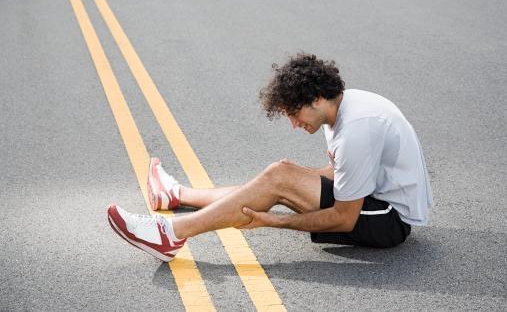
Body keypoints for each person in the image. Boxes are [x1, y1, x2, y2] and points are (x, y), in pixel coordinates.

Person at [107, 53, 433, 262]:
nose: (293, 124)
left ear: (317, 99)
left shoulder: (357, 129)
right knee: (277, 178)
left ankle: (171, 235)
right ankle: (176, 194)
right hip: (373, 201)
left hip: (389, 221)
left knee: (279, 178)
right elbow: (339, 174)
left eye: (294, 113)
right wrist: (288, 181)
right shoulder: (343, 109)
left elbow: (345, 218)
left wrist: (274, 220)